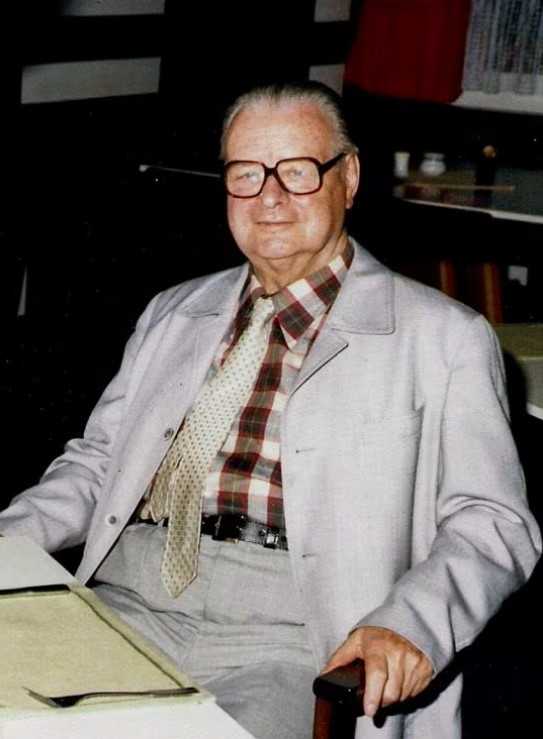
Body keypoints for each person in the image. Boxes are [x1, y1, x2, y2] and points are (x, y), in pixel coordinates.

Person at [0, 80, 540, 739]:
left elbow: (492, 522)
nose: (270, 197)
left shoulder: (443, 338)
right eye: (247, 173)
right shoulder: (173, 311)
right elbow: (96, 463)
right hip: (129, 601)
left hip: (297, 636)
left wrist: (410, 624)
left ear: (348, 178)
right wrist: (9, 537)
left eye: (298, 171)